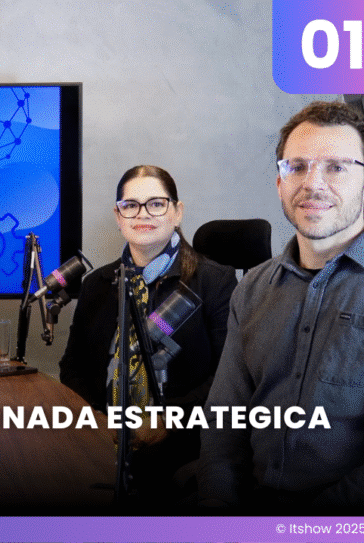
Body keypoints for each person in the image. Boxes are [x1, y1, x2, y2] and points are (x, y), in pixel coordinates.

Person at [198, 101, 364, 509]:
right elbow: (224, 422)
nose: (312, 183)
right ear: (280, 182)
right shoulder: (252, 289)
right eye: (296, 167)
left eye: (336, 167)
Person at [59, 165, 237, 503]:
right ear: (118, 215)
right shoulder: (97, 285)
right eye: (131, 205)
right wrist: (97, 419)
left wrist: (168, 419)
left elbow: (228, 376)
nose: (143, 214)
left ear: (177, 212)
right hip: (102, 442)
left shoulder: (214, 281)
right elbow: (73, 366)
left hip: (182, 447)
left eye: (156, 204)